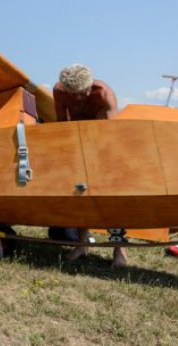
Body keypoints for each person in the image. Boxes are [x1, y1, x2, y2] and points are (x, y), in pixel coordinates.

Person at [53, 63, 127, 268]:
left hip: (104, 146)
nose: (76, 98)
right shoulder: (59, 91)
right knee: (79, 193)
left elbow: (111, 135)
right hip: (78, 144)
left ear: (90, 86)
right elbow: (61, 125)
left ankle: (120, 251)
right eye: (72, 94)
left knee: (112, 198)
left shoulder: (104, 95)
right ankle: (81, 244)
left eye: (81, 94)